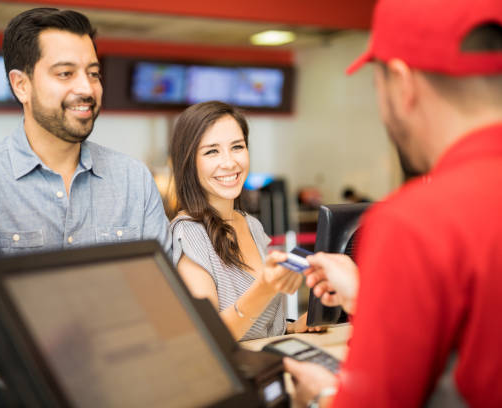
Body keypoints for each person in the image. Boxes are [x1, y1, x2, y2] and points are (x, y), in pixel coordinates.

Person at [283, 0, 502, 406]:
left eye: (376, 85)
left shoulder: (416, 220)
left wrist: (322, 395)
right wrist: (369, 300)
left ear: (402, 82)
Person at [0, 8, 170, 257]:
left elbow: (162, 289)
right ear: (21, 85)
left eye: (93, 74)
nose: (87, 88)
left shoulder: (134, 180)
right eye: (65, 74)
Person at [169, 101, 313, 341]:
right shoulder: (188, 233)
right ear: (189, 162)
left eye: (237, 147)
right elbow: (209, 337)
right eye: (211, 151)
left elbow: (261, 327)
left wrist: (293, 327)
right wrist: (265, 288)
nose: (229, 162)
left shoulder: (251, 224)